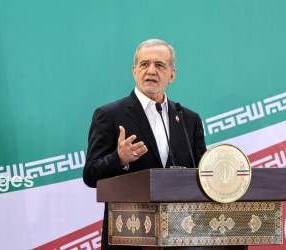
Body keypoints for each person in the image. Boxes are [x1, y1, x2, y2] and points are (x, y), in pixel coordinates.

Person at [83, 39, 208, 249]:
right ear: (134, 70)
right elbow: (90, 175)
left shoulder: (189, 119)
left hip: (182, 235)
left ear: (172, 75)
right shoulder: (109, 115)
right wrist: (119, 159)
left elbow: (202, 174)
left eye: (159, 65)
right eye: (144, 64)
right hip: (129, 237)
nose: (151, 70)